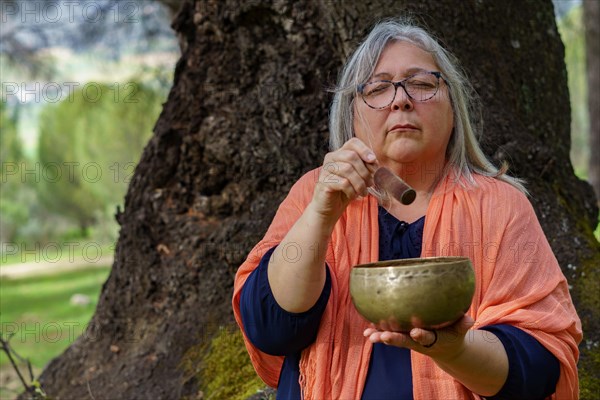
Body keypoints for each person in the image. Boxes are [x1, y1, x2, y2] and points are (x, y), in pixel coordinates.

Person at [232, 19, 582, 399]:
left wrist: (456, 351)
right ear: (352, 114)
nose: (401, 99)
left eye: (421, 83)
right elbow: (270, 327)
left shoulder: (498, 205)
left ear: (453, 107)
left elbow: (540, 363)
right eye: (378, 88)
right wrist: (321, 214)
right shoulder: (313, 194)